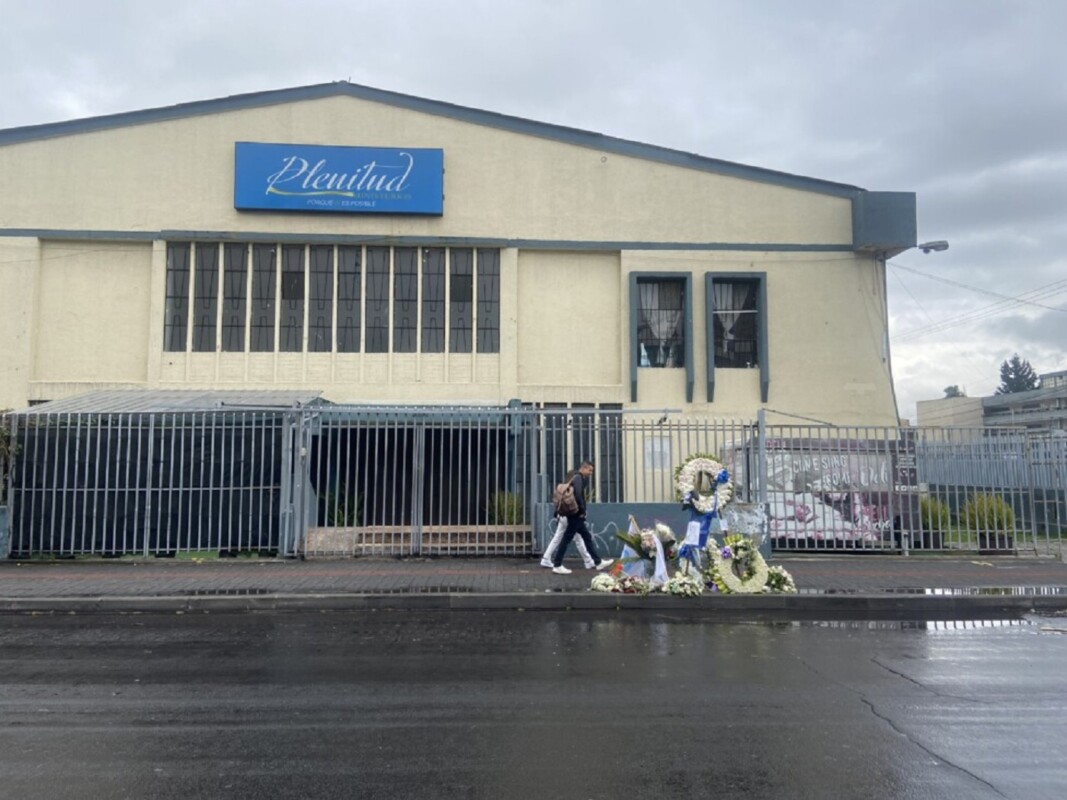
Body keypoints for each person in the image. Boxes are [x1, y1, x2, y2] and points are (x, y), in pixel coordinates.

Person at [550, 461, 614, 575]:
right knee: (567, 539)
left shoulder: (577, 478)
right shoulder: (578, 478)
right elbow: (579, 495)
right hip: (576, 514)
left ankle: (598, 562)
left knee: (586, 536)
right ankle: (557, 564)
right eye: (590, 470)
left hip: (575, 514)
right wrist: (583, 510)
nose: (591, 473)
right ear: (583, 468)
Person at [540, 468, 595, 569]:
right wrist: (582, 511)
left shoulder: (564, 487)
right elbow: (577, 501)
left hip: (562, 516)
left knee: (559, 538)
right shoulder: (573, 488)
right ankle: (588, 561)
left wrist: (557, 513)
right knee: (578, 539)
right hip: (572, 517)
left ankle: (546, 558)